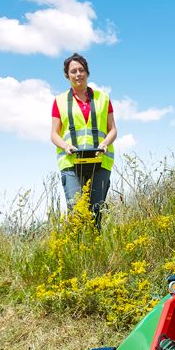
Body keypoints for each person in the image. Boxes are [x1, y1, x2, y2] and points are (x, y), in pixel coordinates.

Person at [50, 53, 117, 228]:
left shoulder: (103, 98)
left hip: (100, 160)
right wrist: (65, 146)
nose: (78, 74)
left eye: (81, 70)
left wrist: (105, 143)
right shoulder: (59, 101)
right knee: (77, 213)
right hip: (71, 161)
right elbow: (54, 134)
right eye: (73, 71)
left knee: (96, 212)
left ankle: (95, 244)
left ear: (87, 72)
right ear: (67, 75)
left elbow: (113, 130)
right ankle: (78, 244)